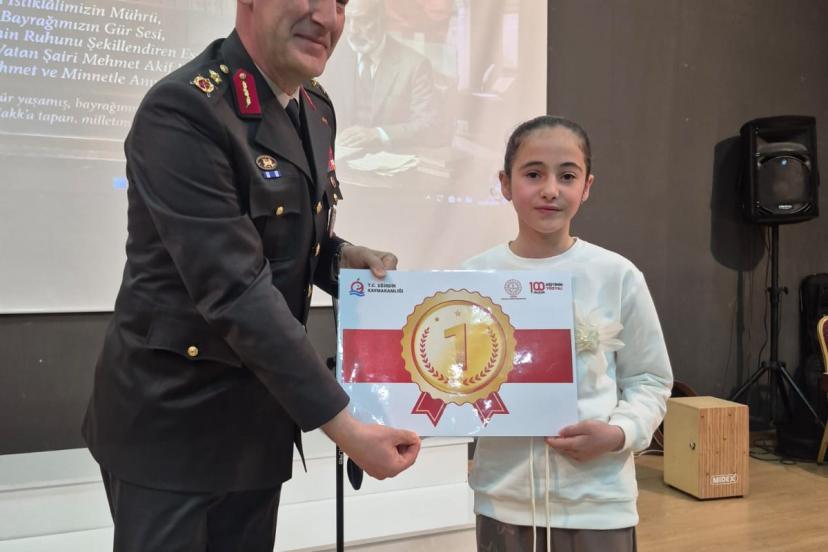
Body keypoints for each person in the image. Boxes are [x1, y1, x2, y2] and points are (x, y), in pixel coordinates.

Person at [81, 1, 421, 550]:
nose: (326, 17)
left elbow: (284, 241)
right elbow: (235, 288)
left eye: (341, 2)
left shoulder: (313, 108)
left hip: (258, 423)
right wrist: (345, 426)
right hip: (172, 428)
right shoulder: (185, 110)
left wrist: (341, 257)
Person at [463, 116, 673, 552]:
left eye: (567, 176)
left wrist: (618, 433)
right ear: (505, 183)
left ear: (587, 186)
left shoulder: (616, 275)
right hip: (504, 500)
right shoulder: (473, 278)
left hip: (599, 501)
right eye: (533, 174)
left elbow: (650, 379)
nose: (550, 189)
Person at [327, 0, 445, 150]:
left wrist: (378, 134)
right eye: (348, 20)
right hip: (341, 155)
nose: (353, 30)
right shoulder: (332, 58)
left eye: (362, 20)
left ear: (383, 19)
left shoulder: (414, 65)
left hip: (393, 156)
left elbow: (429, 125)